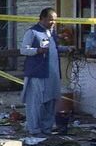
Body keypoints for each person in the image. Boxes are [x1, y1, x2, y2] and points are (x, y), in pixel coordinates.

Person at [19, 8, 65, 137]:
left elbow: (54, 49)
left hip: (52, 74)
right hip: (37, 73)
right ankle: (34, 129)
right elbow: (23, 50)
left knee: (50, 102)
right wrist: (37, 51)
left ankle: (47, 129)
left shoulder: (52, 33)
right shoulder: (32, 32)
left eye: (55, 20)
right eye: (50, 19)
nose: (53, 22)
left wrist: (67, 49)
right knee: (35, 103)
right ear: (42, 18)